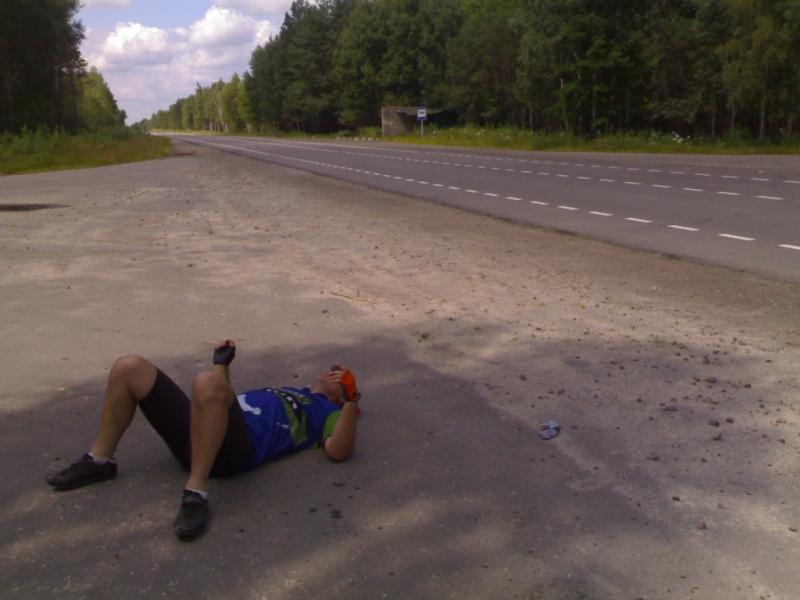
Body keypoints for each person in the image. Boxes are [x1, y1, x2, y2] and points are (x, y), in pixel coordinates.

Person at [44, 340, 360, 540]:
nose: (333, 370)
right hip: (203, 432)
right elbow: (221, 397)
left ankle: (196, 491)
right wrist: (222, 364)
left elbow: (339, 450)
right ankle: (100, 459)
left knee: (205, 382)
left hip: (234, 453)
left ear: (342, 392)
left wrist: (350, 401)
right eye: (334, 368)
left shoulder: (328, 412)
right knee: (130, 366)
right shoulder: (292, 391)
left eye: (342, 374)